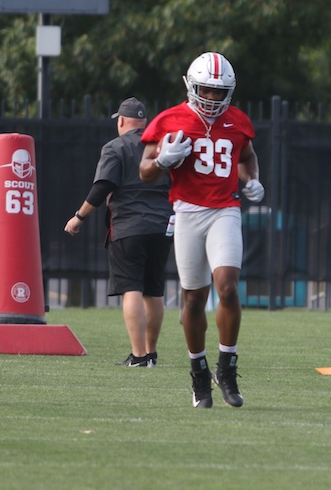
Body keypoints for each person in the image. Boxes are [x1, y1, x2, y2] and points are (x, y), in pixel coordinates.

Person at [139, 52, 264, 408]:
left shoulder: (237, 120)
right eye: (205, 90)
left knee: (227, 286)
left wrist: (253, 180)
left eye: (218, 91)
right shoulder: (170, 119)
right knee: (193, 297)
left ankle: (227, 367)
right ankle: (198, 373)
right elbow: (144, 170)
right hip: (188, 212)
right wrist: (162, 161)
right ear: (192, 87)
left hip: (225, 209)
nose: (211, 98)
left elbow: (246, 155)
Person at [65, 97, 174, 368]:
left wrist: (79, 217)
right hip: (163, 226)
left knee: (132, 288)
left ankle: (138, 357)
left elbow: (102, 187)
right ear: (145, 122)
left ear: (121, 121)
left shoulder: (115, 147)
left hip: (128, 226)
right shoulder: (162, 146)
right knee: (154, 290)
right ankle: (151, 353)